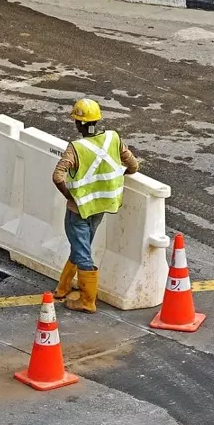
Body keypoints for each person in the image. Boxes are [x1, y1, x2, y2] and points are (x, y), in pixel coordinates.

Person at [51, 98, 140, 313]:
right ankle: (63, 287)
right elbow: (133, 166)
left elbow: (57, 176)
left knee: (82, 251)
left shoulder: (76, 148)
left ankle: (87, 300)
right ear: (97, 121)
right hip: (102, 206)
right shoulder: (113, 138)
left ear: (78, 124)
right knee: (81, 245)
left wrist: (70, 197)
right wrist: (119, 176)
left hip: (79, 209)